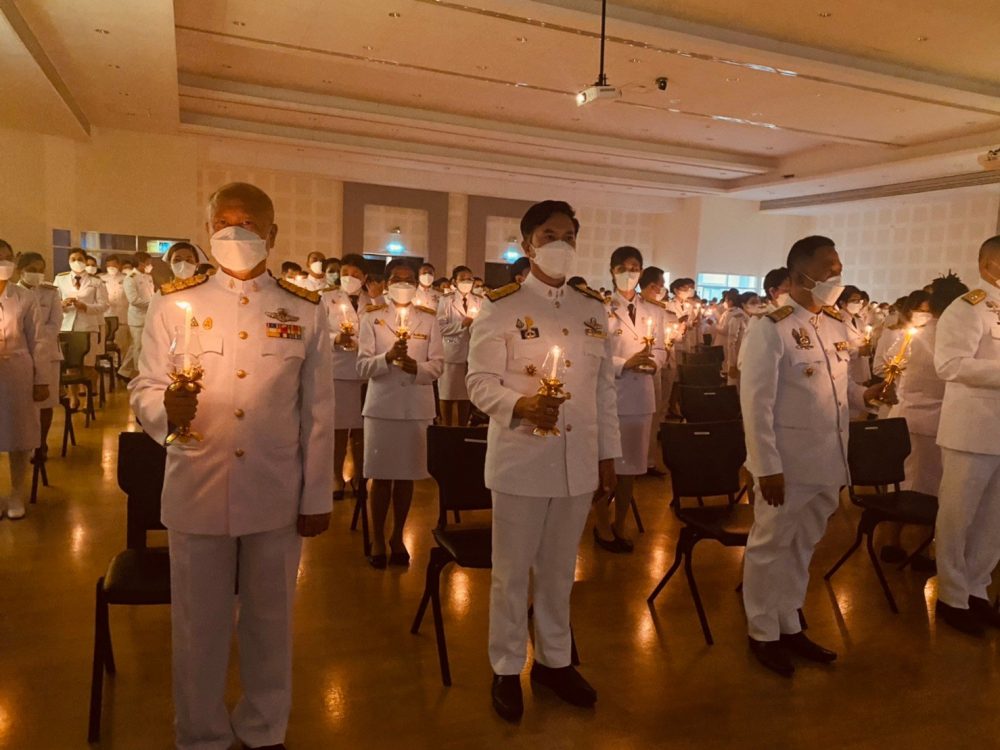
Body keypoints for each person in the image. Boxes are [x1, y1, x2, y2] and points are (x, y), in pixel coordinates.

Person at [130, 181, 335, 750]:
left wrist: (317, 495)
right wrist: (161, 409)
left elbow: (318, 411)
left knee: (271, 620)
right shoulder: (174, 303)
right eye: (223, 222)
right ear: (207, 230)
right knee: (198, 624)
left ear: (272, 233)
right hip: (197, 483)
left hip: (274, 488)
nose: (235, 232)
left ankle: (265, 729)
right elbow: (144, 384)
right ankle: (200, 734)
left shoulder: (304, 309)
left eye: (248, 223)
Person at [467, 200, 619, 722]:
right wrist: (519, 405)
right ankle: (507, 667)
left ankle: (555, 662)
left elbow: (603, 390)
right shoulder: (501, 306)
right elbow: (478, 382)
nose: (561, 244)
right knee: (511, 573)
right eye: (550, 235)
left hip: (577, 461)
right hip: (522, 457)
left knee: (559, 571)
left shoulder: (591, 308)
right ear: (527, 244)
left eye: (569, 236)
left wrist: (608, 454)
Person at [740, 235, 888, 677]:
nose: (836, 277)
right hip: (786, 464)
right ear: (799, 272)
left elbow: (841, 390)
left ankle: (789, 621)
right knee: (770, 546)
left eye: (839, 268)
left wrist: (867, 395)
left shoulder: (837, 325)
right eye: (829, 268)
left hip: (828, 460)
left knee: (803, 546)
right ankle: (762, 631)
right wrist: (766, 466)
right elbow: (756, 405)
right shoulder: (772, 327)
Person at [933, 235, 1000, 636]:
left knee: (993, 521)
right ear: (989, 265)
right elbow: (950, 364)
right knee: (958, 517)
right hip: (971, 431)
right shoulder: (968, 307)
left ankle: (977, 589)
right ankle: (951, 597)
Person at [356, 259, 443, 568]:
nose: (403, 284)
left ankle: (397, 536)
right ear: (387, 282)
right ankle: (378, 538)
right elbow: (362, 365)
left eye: (409, 279)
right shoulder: (372, 318)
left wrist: (416, 368)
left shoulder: (429, 319)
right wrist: (387, 358)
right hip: (382, 407)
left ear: (417, 285)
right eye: (396, 279)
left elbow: (438, 365)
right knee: (380, 477)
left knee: (407, 477)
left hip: (415, 407)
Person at [878, 273, 968, 570]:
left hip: (905, 419)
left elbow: (892, 366)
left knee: (901, 483)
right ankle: (919, 549)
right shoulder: (958, 338)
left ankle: (891, 542)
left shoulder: (914, 335)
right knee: (931, 490)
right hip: (940, 424)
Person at [594, 246, 663, 553]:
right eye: (622, 268)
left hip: (641, 398)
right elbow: (595, 356)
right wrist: (625, 364)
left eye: (634, 268)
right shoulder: (600, 308)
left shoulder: (653, 311)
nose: (629, 274)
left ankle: (620, 523)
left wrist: (654, 363)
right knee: (606, 466)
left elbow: (660, 348)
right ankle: (601, 524)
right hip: (612, 396)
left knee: (631, 469)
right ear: (612, 271)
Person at [0, 241, 50, 519]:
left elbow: (38, 340)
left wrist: (41, 379)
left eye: (8, 258)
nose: (4, 264)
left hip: (17, 372)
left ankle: (16, 493)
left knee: (17, 434)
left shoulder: (24, 297)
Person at [322, 253, 367, 501]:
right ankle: (336, 476)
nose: (350, 278)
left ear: (365, 278)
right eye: (345, 274)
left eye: (355, 274)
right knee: (338, 429)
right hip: (338, 370)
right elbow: (319, 332)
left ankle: (360, 476)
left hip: (364, 370)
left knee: (361, 429)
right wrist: (336, 338)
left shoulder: (375, 301)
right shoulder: (326, 299)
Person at [15, 252, 62, 465]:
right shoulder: (10, 292)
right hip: (18, 353)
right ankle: (23, 442)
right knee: (22, 403)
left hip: (48, 354)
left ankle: (41, 443)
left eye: (40, 270)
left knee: (45, 403)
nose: (37, 274)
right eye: (32, 270)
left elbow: (55, 323)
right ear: (20, 270)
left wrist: (37, 340)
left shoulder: (50, 293)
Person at [55, 247, 109, 402]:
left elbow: (104, 305)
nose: (77, 262)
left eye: (80, 259)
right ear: (68, 261)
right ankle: (73, 397)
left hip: (88, 327)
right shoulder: (60, 279)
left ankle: (89, 397)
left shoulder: (96, 282)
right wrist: (62, 304)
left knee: (87, 365)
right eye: (73, 259)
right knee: (71, 365)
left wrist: (86, 307)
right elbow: (53, 302)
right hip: (67, 327)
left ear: (85, 261)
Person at [639, 266, 676, 476]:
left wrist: (656, 362)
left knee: (652, 418)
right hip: (627, 371)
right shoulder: (625, 307)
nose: (662, 289)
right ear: (653, 286)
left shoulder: (657, 309)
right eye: (661, 285)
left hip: (652, 370)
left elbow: (660, 345)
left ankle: (649, 461)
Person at [437, 265, 478, 426]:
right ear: (454, 281)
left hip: (472, 353)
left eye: (470, 279)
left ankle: (462, 428)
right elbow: (440, 328)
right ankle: (446, 427)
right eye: (463, 279)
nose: (467, 282)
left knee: (465, 395)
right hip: (451, 352)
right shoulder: (446, 300)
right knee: (447, 394)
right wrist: (461, 324)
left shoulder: (480, 301)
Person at [119, 251, 155, 379]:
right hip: (137, 318)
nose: (150, 266)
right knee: (139, 347)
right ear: (141, 263)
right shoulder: (130, 278)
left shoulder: (148, 277)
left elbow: (151, 294)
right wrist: (153, 303)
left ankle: (124, 371)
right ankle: (139, 374)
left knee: (136, 346)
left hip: (149, 316)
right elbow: (133, 300)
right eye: (148, 263)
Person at [725, 291, 762, 387]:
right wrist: (732, 364)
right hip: (738, 359)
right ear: (743, 305)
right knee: (736, 387)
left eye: (759, 302)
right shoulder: (737, 319)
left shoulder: (756, 319)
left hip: (750, 360)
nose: (758, 305)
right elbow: (731, 344)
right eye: (753, 302)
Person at [100, 255, 131, 368]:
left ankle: (120, 367)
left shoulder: (127, 278)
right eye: (109, 266)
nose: (111, 268)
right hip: (106, 316)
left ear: (118, 265)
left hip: (122, 316)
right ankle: (107, 365)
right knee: (105, 344)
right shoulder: (101, 278)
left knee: (122, 345)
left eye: (113, 265)